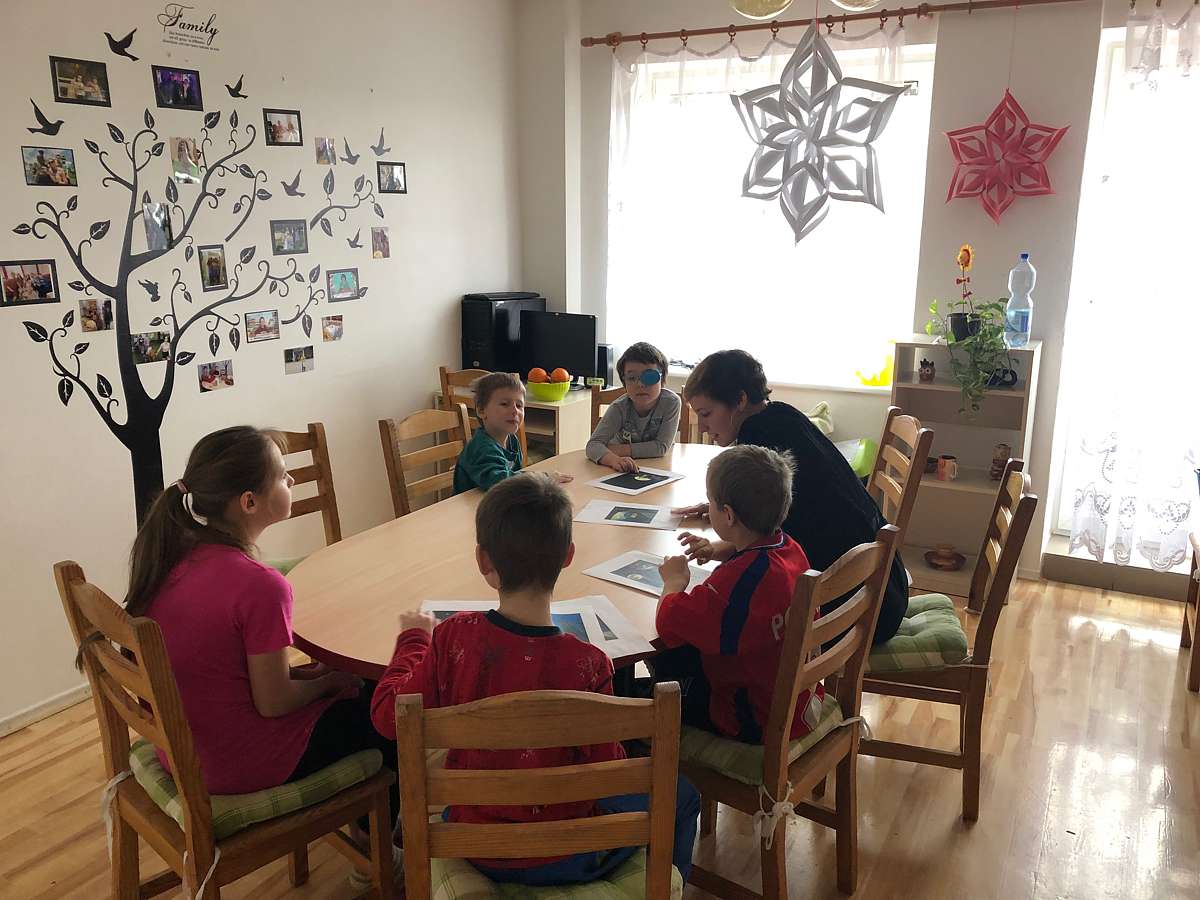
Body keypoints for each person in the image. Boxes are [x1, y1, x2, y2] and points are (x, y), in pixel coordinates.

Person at [370, 472, 699, 886]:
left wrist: (413, 640)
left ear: (483, 561)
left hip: (476, 844)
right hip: (568, 854)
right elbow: (608, 772)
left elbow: (387, 716)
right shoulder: (591, 664)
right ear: (568, 556)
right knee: (683, 796)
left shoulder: (452, 639)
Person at [110, 426, 399, 836]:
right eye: (282, 475)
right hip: (236, 763)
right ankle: (380, 846)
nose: (291, 480)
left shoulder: (175, 557)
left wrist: (311, 677)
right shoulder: (261, 586)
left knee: (355, 687)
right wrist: (326, 683)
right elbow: (274, 702)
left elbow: (225, 670)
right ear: (249, 502)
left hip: (183, 749)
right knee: (384, 706)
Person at [674, 349, 909, 645]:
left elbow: (762, 541)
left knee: (715, 630)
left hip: (853, 613)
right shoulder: (782, 414)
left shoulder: (758, 442)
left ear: (740, 400)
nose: (702, 426)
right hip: (884, 589)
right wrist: (721, 507)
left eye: (706, 413)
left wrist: (719, 538)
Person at [653, 445, 825, 741]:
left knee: (646, 685)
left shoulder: (736, 586)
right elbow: (752, 553)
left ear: (728, 515)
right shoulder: (790, 548)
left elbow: (667, 622)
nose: (708, 507)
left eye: (710, 501)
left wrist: (673, 581)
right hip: (799, 702)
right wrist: (718, 550)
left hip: (753, 719)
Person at [453, 373, 573, 493]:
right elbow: (500, 483)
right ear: (481, 411)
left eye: (519, 405)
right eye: (504, 404)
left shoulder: (512, 440)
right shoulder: (481, 447)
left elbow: (515, 478)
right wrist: (543, 478)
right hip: (471, 504)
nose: (515, 411)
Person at [586, 342, 681, 473]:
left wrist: (617, 449)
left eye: (650, 377)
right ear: (624, 382)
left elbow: (661, 447)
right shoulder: (619, 408)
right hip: (623, 467)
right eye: (631, 378)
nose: (640, 384)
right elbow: (592, 445)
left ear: (662, 379)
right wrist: (613, 460)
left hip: (660, 467)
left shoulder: (671, 403)